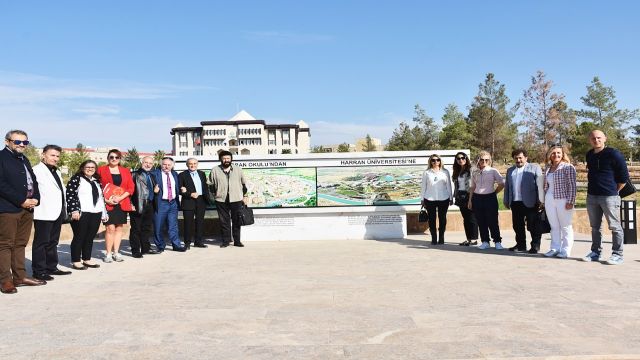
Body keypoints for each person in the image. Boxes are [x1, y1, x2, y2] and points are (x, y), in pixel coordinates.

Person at [0, 130, 46, 294]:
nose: (21, 145)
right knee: (5, 245)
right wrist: (21, 200)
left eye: (25, 142)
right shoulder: (1, 158)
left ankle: (20, 277)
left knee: (20, 243)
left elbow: (33, 181)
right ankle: (5, 280)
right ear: (7, 142)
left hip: (28, 209)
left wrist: (36, 199)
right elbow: (2, 184)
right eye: (17, 141)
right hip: (9, 208)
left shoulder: (24, 159)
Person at [582, 130, 629, 265]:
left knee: (615, 226)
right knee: (595, 227)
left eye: (599, 138)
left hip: (609, 197)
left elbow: (624, 177)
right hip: (592, 196)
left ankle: (617, 254)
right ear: (590, 140)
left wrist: (614, 191)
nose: (596, 140)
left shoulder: (614, 154)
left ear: (605, 139)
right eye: (593, 138)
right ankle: (595, 252)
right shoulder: (589, 154)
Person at [31, 145, 72, 280]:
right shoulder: (36, 171)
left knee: (53, 242)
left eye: (57, 156)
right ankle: (39, 271)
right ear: (43, 155)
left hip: (57, 212)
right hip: (43, 212)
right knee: (41, 243)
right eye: (52, 155)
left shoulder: (57, 171)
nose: (55, 158)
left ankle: (51, 267)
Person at [66, 160, 108, 269]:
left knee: (90, 237)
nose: (90, 169)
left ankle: (87, 259)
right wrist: (74, 210)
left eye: (93, 167)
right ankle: (76, 260)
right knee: (79, 236)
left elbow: (100, 198)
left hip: (96, 212)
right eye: (87, 167)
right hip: (81, 212)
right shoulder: (76, 179)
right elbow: (70, 195)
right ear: (82, 168)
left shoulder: (96, 181)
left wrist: (104, 213)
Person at [503, 149, 544, 254]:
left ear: (526, 158)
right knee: (517, 226)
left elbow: (540, 185)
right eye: (516, 158)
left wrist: (541, 200)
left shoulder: (534, 168)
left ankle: (535, 246)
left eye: (520, 158)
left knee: (533, 225)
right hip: (515, 202)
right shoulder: (510, 170)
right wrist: (506, 200)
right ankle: (521, 245)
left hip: (531, 202)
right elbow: (507, 187)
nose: (518, 160)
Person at [97, 149, 134, 263]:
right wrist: (107, 200)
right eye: (111, 157)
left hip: (121, 203)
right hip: (107, 204)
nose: (114, 159)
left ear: (119, 159)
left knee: (119, 228)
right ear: (108, 158)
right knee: (110, 228)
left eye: (116, 157)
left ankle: (116, 252)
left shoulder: (125, 171)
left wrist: (119, 198)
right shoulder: (101, 170)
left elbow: (130, 188)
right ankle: (108, 254)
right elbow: (97, 187)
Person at [543, 145, 576, 259]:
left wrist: (570, 201)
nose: (556, 155)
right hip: (549, 199)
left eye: (558, 153)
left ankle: (565, 250)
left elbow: (572, 185)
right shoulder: (547, 168)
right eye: (553, 153)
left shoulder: (568, 167)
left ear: (562, 154)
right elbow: (546, 186)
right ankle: (555, 248)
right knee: (554, 226)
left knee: (566, 226)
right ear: (550, 155)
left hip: (563, 199)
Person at [209, 150, 248, 248]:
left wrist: (244, 196)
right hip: (221, 200)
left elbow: (243, 184)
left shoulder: (238, 169)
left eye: (228, 158)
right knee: (224, 222)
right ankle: (225, 241)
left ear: (231, 159)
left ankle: (237, 241)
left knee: (236, 221)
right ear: (220, 159)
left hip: (236, 199)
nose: (226, 160)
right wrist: (214, 195)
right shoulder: (215, 170)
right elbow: (210, 185)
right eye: (224, 158)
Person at [468, 151, 505, 250]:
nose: (484, 161)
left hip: (490, 198)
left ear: (489, 161)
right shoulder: (475, 172)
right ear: (478, 160)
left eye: (486, 159)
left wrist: (495, 192)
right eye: (481, 159)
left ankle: (497, 241)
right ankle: (485, 241)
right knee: (481, 221)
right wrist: (470, 200)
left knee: (492, 221)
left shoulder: (493, 171)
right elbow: (472, 187)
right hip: (477, 198)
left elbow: (501, 184)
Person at [151, 157, 186, 252]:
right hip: (161, 203)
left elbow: (177, 187)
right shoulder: (154, 174)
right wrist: (154, 191)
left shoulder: (175, 174)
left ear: (172, 165)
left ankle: (176, 245)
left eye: (169, 165)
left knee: (173, 226)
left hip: (173, 203)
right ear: (161, 165)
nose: (166, 166)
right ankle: (160, 246)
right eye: (164, 164)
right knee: (158, 226)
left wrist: (183, 190)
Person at [129, 156, 159, 258]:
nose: (148, 165)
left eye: (150, 163)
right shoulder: (134, 174)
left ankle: (146, 248)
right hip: (138, 204)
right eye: (146, 162)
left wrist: (155, 192)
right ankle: (135, 251)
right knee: (136, 229)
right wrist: (130, 204)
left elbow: (150, 190)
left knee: (147, 228)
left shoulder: (152, 175)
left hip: (150, 204)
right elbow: (128, 191)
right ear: (142, 163)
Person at [179, 158, 212, 249]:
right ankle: (187, 243)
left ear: (197, 164)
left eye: (194, 163)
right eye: (190, 164)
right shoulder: (182, 175)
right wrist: (189, 194)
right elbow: (179, 190)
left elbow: (205, 187)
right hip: (188, 201)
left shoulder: (202, 174)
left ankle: (198, 242)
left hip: (201, 200)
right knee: (188, 223)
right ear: (187, 165)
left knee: (200, 222)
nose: (192, 165)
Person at [420, 154, 453, 245]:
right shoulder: (427, 172)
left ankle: (441, 237)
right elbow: (423, 186)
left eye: (437, 160)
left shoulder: (445, 172)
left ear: (440, 161)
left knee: (442, 219)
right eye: (433, 160)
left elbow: (449, 186)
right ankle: (434, 238)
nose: (435, 162)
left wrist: (451, 198)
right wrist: (422, 199)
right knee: (432, 219)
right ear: (430, 161)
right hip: (429, 199)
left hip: (444, 198)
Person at [452, 151, 479, 246]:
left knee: (472, 217)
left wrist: (472, 197)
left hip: (470, 194)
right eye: (458, 158)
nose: (461, 160)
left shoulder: (472, 169)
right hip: (460, 196)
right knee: (465, 218)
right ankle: (468, 238)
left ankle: (474, 239)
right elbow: (456, 185)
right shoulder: (457, 170)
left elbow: (475, 183)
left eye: (462, 158)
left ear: (466, 158)